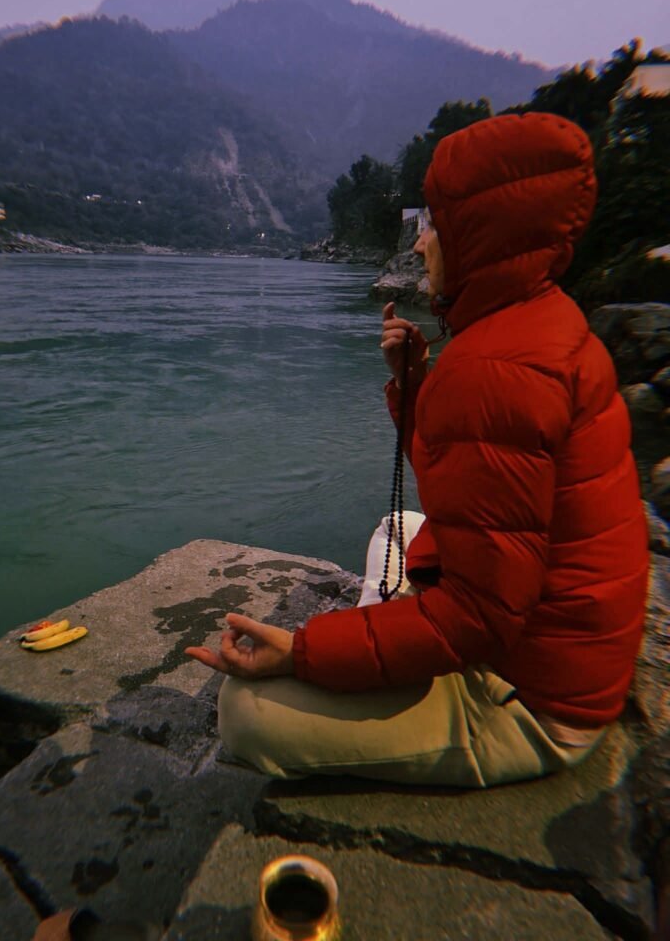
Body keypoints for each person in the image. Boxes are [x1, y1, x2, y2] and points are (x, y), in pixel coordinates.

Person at [185, 112, 649, 788]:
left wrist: (305, 652)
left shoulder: (493, 365)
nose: (424, 240)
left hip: (537, 698)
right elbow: (476, 489)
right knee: (398, 529)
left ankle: (407, 680)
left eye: (435, 223)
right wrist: (416, 389)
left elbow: (479, 618)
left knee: (244, 710)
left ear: (480, 235)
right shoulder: (544, 323)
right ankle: (383, 640)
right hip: (570, 644)